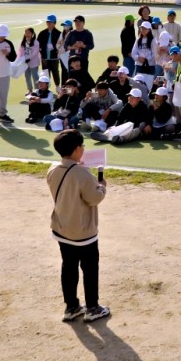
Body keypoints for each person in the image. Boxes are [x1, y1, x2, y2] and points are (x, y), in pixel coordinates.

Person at [47, 130, 110, 323]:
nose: (83, 149)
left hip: (62, 228)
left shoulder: (53, 169)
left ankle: (71, 306)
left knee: (68, 267)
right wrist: (102, 187)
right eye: (82, 146)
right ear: (76, 150)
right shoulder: (82, 173)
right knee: (90, 269)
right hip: (83, 232)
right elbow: (94, 198)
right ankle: (92, 307)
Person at [19, 27, 42, 93]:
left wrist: (28, 58)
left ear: (32, 34)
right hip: (25, 62)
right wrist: (23, 58)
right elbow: (21, 51)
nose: (27, 34)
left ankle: (37, 90)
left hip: (34, 62)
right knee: (27, 76)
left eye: (29, 33)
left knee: (35, 77)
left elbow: (35, 52)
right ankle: (30, 90)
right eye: (26, 33)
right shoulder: (24, 42)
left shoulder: (36, 42)